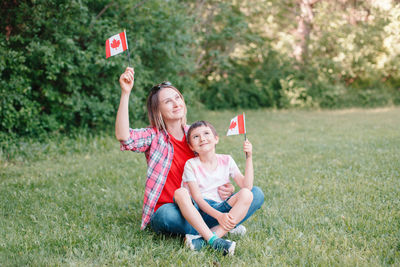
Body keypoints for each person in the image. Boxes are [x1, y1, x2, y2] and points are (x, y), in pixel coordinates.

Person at [115, 67, 264, 236]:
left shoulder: (195, 134)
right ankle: (222, 227)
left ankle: (209, 230)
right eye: (168, 101)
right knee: (166, 216)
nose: (176, 103)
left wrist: (226, 188)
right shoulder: (153, 136)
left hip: (201, 207)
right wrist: (125, 93)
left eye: (177, 97)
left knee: (255, 193)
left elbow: (212, 170)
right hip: (172, 209)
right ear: (158, 110)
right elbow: (124, 137)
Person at [174, 121, 258, 255]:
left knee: (248, 194)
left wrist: (249, 157)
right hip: (198, 212)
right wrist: (219, 216)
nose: (202, 138)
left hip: (221, 207)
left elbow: (246, 186)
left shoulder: (227, 160)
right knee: (181, 192)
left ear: (216, 139)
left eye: (206, 133)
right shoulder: (191, 164)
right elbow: (198, 199)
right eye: (196, 137)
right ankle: (218, 237)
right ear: (191, 146)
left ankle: (204, 240)